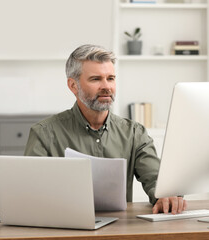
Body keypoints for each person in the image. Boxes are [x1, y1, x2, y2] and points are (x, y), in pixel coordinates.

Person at [24, 44, 187, 214]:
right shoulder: (44, 133)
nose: (107, 86)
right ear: (73, 86)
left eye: (110, 78)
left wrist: (166, 195)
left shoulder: (134, 133)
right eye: (96, 79)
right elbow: (31, 193)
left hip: (119, 230)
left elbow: (156, 180)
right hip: (64, 228)